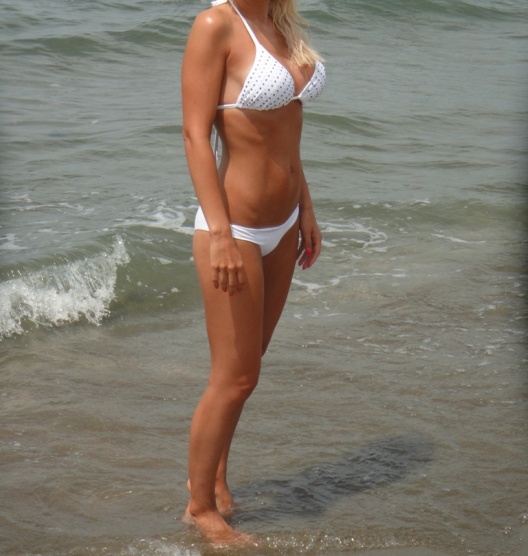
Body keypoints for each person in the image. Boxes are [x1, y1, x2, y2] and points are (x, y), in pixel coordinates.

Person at [181, 0, 326, 545]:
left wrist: (306, 208)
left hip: (284, 224)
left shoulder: (279, 22)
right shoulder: (216, 24)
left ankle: (216, 478)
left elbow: (287, 130)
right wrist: (220, 233)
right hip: (236, 229)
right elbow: (195, 135)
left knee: (247, 370)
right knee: (235, 377)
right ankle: (199, 508)